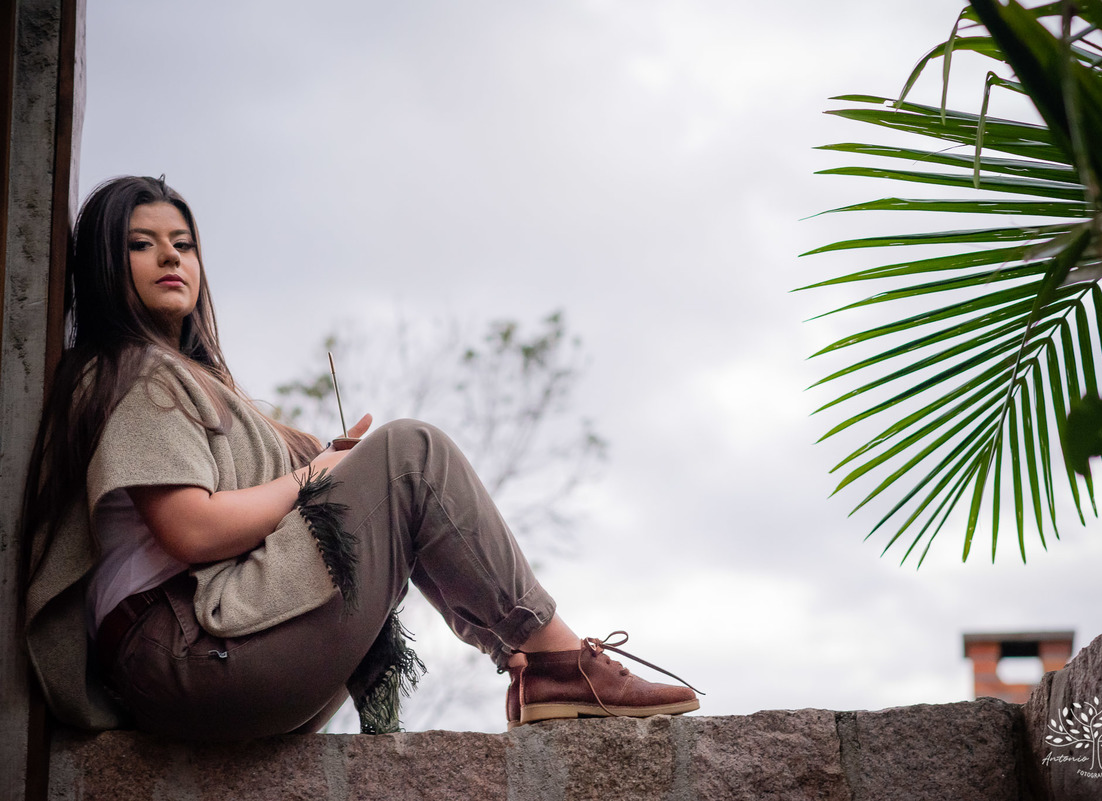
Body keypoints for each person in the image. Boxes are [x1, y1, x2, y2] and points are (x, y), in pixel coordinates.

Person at [22, 175, 699, 741]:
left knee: (391, 475)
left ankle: (529, 658)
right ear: (106, 267)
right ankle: (551, 660)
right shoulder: (132, 373)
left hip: (205, 659)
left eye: (185, 244)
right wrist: (315, 475)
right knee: (413, 451)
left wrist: (328, 470)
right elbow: (191, 529)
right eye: (142, 244)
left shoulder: (186, 379)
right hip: (186, 653)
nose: (171, 258)